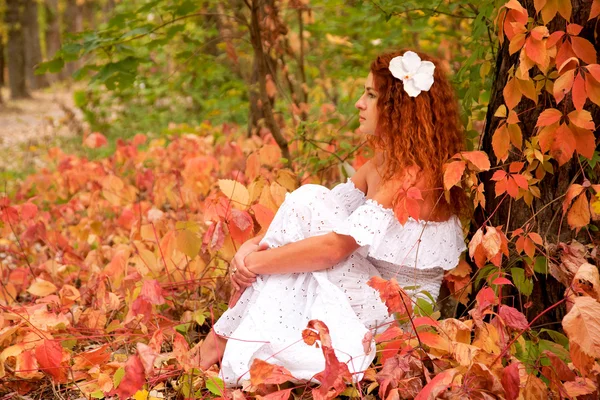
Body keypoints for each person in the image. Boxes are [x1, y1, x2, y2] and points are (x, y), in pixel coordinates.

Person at [198, 50, 467, 387]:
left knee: (308, 217)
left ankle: (221, 338)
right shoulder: (382, 163)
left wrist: (254, 263)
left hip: (398, 312)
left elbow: (332, 249)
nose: (359, 103)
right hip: (365, 288)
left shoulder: (411, 173)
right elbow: (308, 214)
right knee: (309, 198)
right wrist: (251, 246)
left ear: (399, 109)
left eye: (370, 95)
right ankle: (225, 337)